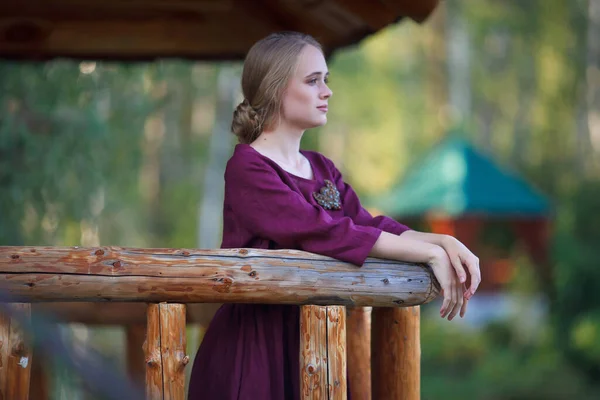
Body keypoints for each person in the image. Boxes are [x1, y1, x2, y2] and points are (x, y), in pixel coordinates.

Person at [187, 31, 481, 400]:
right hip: (255, 350)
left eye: (326, 79)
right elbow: (321, 231)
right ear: (276, 88)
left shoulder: (321, 167)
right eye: (313, 81)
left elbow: (366, 224)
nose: (327, 91)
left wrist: (444, 242)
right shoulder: (247, 167)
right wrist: (429, 254)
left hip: (316, 347)